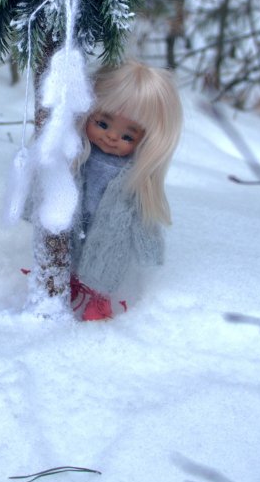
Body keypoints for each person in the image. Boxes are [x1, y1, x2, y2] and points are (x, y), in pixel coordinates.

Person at [71, 60, 183, 320]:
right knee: (72, 248)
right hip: (76, 220)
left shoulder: (134, 176)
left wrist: (150, 252)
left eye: (128, 137)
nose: (111, 137)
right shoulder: (77, 155)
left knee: (105, 263)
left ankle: (98, 300)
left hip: (111, 233)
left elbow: (145, 219)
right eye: (102, 124)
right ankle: (69, 279)